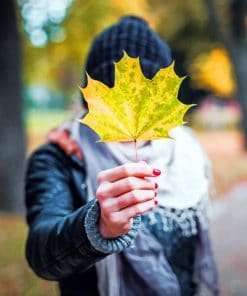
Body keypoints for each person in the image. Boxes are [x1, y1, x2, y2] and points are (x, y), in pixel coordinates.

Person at [25, 16, 219, 296]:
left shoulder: (186, 151)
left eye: (145, 100)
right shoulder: (61, 158)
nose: (130, 112)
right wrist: (97, 227)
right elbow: (42, 255)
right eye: (115, 101)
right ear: (87, 103)